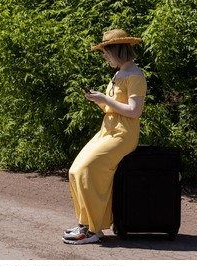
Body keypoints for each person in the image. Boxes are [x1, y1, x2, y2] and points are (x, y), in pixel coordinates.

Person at [62, 29, 147, 245]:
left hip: (122, 134)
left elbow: (134, 111)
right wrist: (99, 100)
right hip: (107, 130)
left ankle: (93, 229)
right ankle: (85, 223)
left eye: (106, 52)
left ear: (117, 51)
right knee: (75, 171)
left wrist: (106, 100)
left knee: (87, 169)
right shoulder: (118, 74)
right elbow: (114, 107)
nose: (104, 56)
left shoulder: (136, 76)